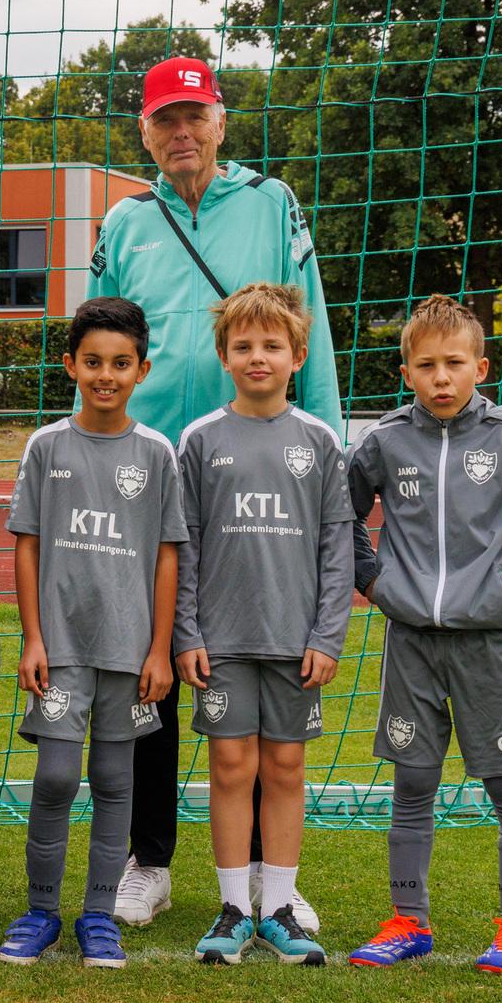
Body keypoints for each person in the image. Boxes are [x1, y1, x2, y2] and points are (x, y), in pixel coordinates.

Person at [88, 56, 342, 930]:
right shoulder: (124, 220)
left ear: (221, 121)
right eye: (164, 120)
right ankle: (148, 857)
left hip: (260, 465)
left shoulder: (272, 203)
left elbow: (307, 319)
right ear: (145, 134)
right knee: (148, 662)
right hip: (148, 466)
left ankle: (274, 878)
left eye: (194, 115)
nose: (181, 133)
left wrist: (330, 449)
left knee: (264, 655)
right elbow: (98, 336)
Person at [344, 295, 502, 973]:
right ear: (405, 373)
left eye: (454, 363)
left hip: (485, 642)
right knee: (412, 780)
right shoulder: (386, 440)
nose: (440, 378)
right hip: (410, 642)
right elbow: (341, 517)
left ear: (480, 366)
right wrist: (374, 582)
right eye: (426, 365)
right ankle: (406, 920)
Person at [0, 297, 186, 969]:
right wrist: (33, 639)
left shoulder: (156, 453)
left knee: (113, 779)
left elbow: (167, 554)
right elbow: (26, 545)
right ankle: (40, 910)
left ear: (141, 370)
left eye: (121, 363)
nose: (106, 375)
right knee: (52, 777)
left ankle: (97, 917)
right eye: (93, 362)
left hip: (130, 654)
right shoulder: (47, 447)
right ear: (70, 364)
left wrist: (159, 648)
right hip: (63, 651)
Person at [175, 284, 351, 969]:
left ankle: (276, 907)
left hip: (293, 640)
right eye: (243, 346)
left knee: (284, 766)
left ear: (297, 355)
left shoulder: (318, 442)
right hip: (221, 641)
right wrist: (187, 634)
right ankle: (230, 907)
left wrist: (325, 636)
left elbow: (337, 549)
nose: (257, 357)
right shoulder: (199, 441)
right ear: (223, 355)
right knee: (228, 765)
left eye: (271, 346)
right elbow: (182, 546)